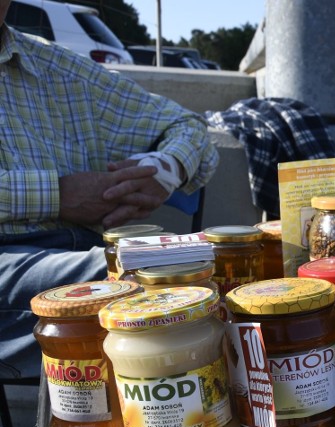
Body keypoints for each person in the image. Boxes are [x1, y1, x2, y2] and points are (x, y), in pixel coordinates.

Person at [0, 0, 219, 381]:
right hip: (16, 262)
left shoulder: (55, 67)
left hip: (89, 251)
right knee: (156, 285)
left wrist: (165, 169)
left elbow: (188, 125)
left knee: (210, 263)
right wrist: (58, 195)